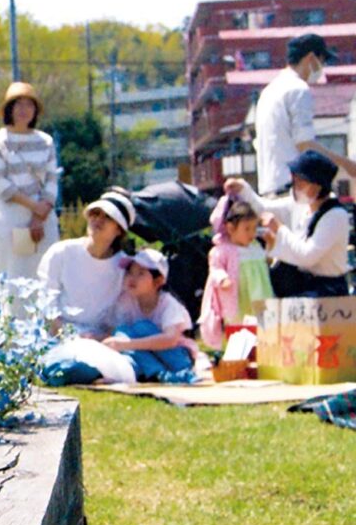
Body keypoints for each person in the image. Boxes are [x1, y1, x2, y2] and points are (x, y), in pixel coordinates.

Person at [225, 150, 351, 298]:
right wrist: (243, 189)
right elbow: (263, 208)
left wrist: (279, 229)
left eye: (300, 183)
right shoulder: (299, 204)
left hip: (328, 288)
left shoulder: (335, 216)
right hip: (301, 281)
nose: (295, 187)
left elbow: (308, 256)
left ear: (316, 186)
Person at [0, 82, 60, 317]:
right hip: (12, 214)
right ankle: (16, 334)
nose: (24, 110)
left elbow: (51, 179)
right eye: (18, 105)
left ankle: (49, 329)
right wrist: (32, 207)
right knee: (16, 274)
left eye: (29, 105)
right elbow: (0, 183)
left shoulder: (45, 141)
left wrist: (39, 214)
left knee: (46, 271)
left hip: (43, 216)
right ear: (9, 109)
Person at [254, 33, 356, 196]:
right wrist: (346, 164)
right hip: (294, 187)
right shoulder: (298, 89)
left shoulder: (269, 91)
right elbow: (305, 144)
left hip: (270, 187)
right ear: (311, 58)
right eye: (322, 61)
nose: (321, 68)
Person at [36, 189, 134, 336]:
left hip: (101, 342)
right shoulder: (61, 252)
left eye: (108, 217)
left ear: (119, 230)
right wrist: (69, 336)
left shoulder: (125, 267)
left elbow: (121, 316)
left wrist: (99, 339)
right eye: (95, 213)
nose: (98, 219)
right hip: (58, 338)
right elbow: (45, 302)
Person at [102, 248, 198, 382]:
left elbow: (171, 339)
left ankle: (179, 373)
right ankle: (160, 374)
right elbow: (117, 332)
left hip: (177, 358)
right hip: (150, 357)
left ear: (158, 281)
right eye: (130, 272)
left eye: (141, 273)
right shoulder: (126, 301)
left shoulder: (168, 304)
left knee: (142, 327)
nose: (132, 278)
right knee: (122, 331)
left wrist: (128, 344)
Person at [198, 199, 274, 348]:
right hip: (238, 295)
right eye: (247, 229)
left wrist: (271, 244)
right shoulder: (223, 250)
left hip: (260, 293)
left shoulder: (255, 246)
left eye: (254, 228)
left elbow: (267, 260)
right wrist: (222, 279)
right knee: (239, 327)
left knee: (262, 325)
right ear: (231, 228)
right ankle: (240, 356)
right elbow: (215, 268)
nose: (252, 233)